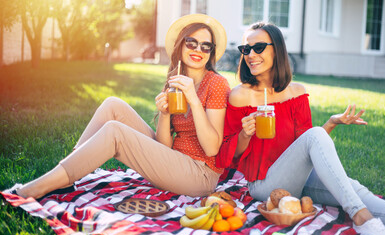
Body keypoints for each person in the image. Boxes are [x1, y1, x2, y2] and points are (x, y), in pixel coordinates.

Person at [215, 22, 385, 235]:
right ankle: (360, 217)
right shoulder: (239, 96)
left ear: (278, 49)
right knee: (325, 150)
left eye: (259, 47)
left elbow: (307, 146)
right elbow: (228, 156)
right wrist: (245, 134)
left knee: (352, 189)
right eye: (246, 49)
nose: (251, 55)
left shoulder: (297, 93)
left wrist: (330, 123)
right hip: (264, 185)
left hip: (299, 179)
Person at [6, 14, 230, 199]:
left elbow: (212, 149)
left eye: (206, 46)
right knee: (113, 105)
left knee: (115, 131)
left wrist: (193, 99)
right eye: (191, 42)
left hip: (199, 174)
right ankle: (64, 176)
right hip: (174, 160)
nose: (198, 49)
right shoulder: (176, 80)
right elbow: (164, 146)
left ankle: (38, 188)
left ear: (211, 52)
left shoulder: (217, 84)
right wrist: (164, 114)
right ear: (181, 44)